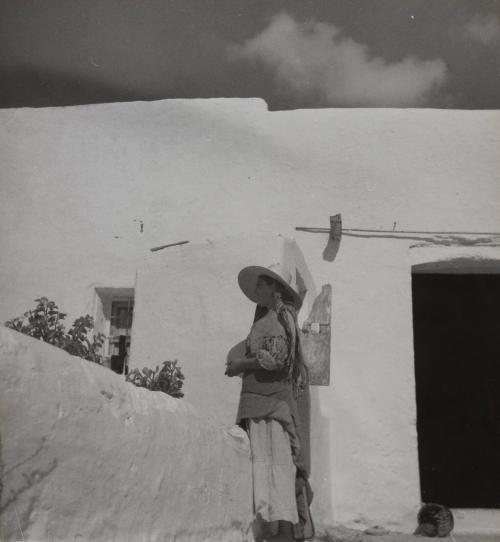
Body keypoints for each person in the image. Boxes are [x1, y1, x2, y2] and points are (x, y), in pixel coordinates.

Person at [225, 263, 314, 541]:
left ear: (274, 287)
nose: (256, 290)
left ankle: (285, 535)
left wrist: (242, 363)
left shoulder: (283, 317)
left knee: (278, 471)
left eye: (260, 285)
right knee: (266, 470)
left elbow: (276, 359)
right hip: (258, 404)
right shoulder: (266, 320)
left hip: (273, 406)